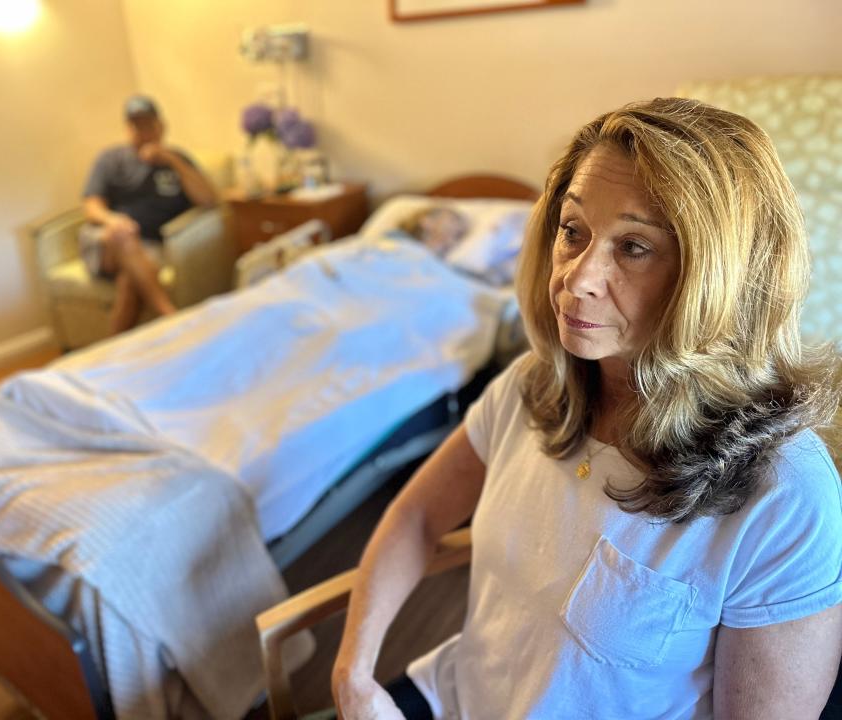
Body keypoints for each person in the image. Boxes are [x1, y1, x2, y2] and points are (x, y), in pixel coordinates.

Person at [332, 97, 842, 719]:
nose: (577, 277)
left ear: (716, 277)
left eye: (634, 247)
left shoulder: (784, 493)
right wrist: (355, 676)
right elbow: (415, 517)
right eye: (573, 232)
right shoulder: (535, 386)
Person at [81, 95, 218, 334]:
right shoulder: (111, 159)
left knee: (130, 282)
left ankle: (116, 354)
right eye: (135, 126)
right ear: (128, 129)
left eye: (147, 125)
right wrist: (112, 220)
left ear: (161, 127)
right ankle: (171, 317)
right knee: (122, 235)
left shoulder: (177, 159)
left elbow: (208, 200)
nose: (141, 132)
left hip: (149, 245)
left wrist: (173, 161)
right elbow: (91, 206)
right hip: (105, 240)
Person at [394, 206, 470, 258]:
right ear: (427, 221)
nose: (460, 227)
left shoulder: (445, 266)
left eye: (458, 235)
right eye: (454, 219)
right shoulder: (397, 242)